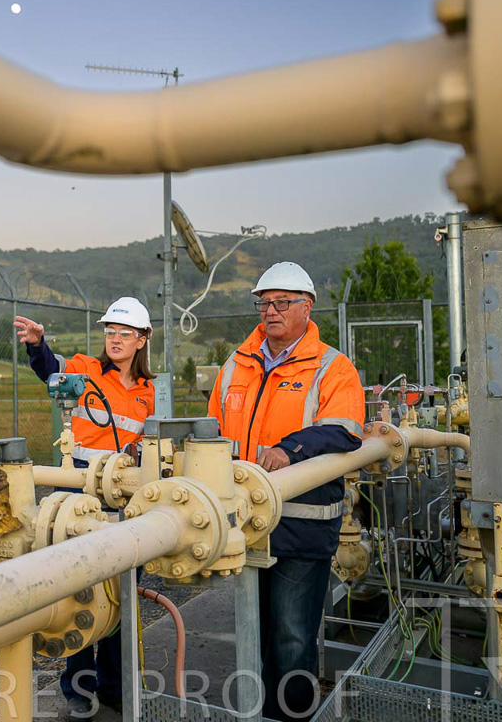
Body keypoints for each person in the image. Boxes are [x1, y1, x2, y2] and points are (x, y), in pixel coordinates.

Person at [206, 262, 364, 722]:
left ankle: (291, 716)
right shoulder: (236, 364)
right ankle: (257, 712)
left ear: (306, 307)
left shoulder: (331, 366)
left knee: (292, 637)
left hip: (300, 526)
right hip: (247, 524)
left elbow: (345, 429)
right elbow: (213, 429)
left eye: (281, 303)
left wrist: (289, 450)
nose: (270, 311)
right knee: (251, 631)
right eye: (263, 303)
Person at [14, 296, 155, 719]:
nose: (115, 339)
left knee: (119, 597)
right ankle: (79, 687)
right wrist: (37, 345)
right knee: (80, 594)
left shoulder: (147, 391)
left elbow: (144, 444)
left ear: (142, 340)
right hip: (80, 497)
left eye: (125, 333)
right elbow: (51, 369)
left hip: (123, 500)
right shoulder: (86, 369)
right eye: (110, 332)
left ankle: (115, 687)